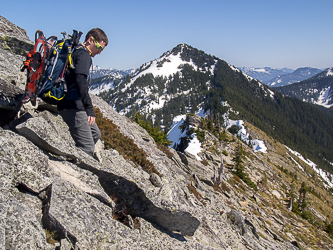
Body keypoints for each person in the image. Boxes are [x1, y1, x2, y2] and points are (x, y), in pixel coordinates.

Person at [57, 28, 108, 157]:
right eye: (99, 48)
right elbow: (81, 82)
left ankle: (75, 154)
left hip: (74, 103)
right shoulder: (84, 55)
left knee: (95, 134)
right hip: (72, 105)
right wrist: (89, 109)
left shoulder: (77, 52)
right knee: (87, 147)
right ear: (90, 40)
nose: (100, 53)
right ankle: (76, 170)